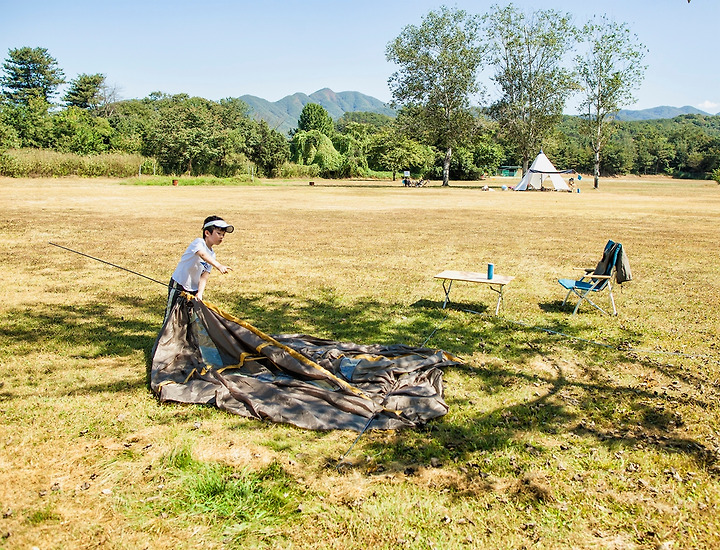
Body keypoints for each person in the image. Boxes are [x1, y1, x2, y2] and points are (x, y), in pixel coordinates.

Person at [164, 215, 234, 319]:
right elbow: (202, 254)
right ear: (207, 233)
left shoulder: (212, 255)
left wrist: (200, 293)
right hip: (179, 284)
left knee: (188, 318)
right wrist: (218, 265)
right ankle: (165, 335)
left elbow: (204, 276)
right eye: (218, 233)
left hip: (193, 289)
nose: (221, 237)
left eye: (223, 235)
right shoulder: (198, 243)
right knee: (172, 315)